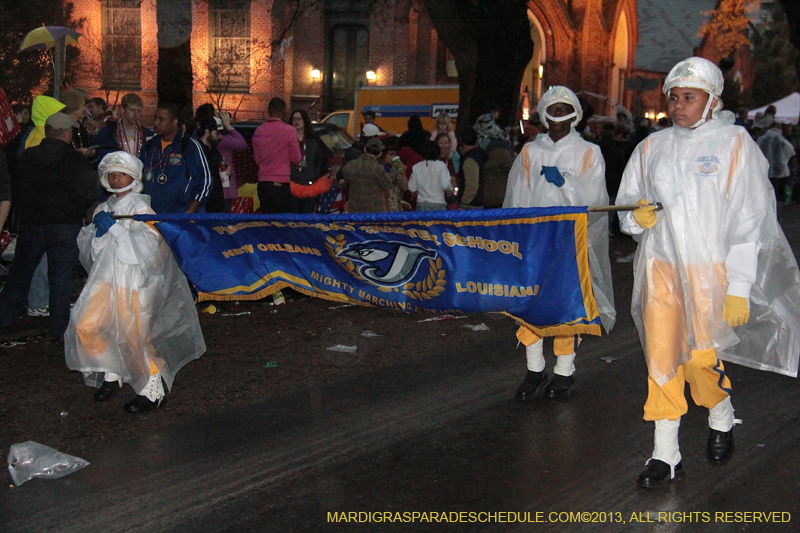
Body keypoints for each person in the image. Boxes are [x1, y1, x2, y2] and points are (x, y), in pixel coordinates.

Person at [616, 57, 800, 488]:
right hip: (660, 269)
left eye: (689, 98)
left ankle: (721, 413)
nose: (679, 106)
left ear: (712, 101)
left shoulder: (734, 144)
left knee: (700, 359)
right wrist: (634, 220)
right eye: (674, 98)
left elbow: (751, 218)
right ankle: (666, 454)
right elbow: (628, 204)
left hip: (709, 271)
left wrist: (738, 284)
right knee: (661, 358)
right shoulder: (651, 148)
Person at [65, 151, 206, 412]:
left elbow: (148, 253)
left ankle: (152, 390)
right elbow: (95, 256)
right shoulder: (103, 208)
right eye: (112, 174)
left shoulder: (142, 209)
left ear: (133, 176)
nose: (116, 179)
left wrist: (116, 230)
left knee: (133, 338)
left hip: (134, 284)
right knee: (87, 326)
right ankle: (112, 372)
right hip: (105, 281)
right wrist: (99, 233)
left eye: (122, 173)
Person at [503, 86, 615, 401]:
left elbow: (596, 199)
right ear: (544, 114)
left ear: (575, 115)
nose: (559, 118)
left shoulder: (589, 153)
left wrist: (566, 184)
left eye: (565, 111)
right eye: (553, 110)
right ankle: (534, 368)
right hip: (534, 239)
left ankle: (564, 370)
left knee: (564, 306)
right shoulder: (529, 152)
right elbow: (516, 196)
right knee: (529, 303)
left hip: (569, 240)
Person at [0, 113, 97, 339]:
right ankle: (59, 327)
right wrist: (76, 211)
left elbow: (17, 190)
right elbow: (88, 192)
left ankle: (5, 317)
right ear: (65, 132)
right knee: (60, 277)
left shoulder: (28, 157)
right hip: (65, 226)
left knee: (21, 273)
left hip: (32, 224)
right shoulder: (75, 160)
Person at [140, 102, 213, 214]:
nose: (156, 123)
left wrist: (190, 211)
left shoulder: (190, 146)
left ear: (174, 122)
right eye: (155, 118)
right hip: (153, 215)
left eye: (161, 119)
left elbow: (206, 181)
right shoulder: (149, 146)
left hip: (182, 216)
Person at [194, 104, 248, 212]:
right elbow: (242, 144)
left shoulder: (195, 137)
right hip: (223, 190)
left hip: (207, 192)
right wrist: (228, 125)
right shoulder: (220, 139)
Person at [252, 98, 302, 213]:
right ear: (284, 111)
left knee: (266, 220)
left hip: (263, 183)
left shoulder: (258, 131)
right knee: (279, 222)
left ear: (268, 111)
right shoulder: (289, 131)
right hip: (281, 182)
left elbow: (257, 159)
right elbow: (297, 159)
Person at [289, 109, 329, 214]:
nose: (296, 122)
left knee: (307, 215)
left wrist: (315, 175)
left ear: (305, 121)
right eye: (293, 120)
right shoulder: (288, 140)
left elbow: (321, 160)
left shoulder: (313, 140)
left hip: (310, 185)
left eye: (298, 119)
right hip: (292, 184)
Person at [93, 93, 152, 163]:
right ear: (122, 109)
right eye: (132, 110)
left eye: (138, 111)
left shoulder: (147, 134)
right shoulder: (108, 132)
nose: (136, 114)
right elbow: (97, 153)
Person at [340, 137, 392, 213]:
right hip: (374, 212)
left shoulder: (350, 165)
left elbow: (344, 184)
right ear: (380, 154)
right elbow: (387, 185)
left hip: (354, 211)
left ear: (365, 149)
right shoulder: (378, 168)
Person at [756, 115, 796, 203]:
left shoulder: (763, 138)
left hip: (765, 168)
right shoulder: (780, 138)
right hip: (780, 168)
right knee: (777, 191)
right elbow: (790, 150)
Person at [408, 141, 453, 211]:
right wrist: (450, 190)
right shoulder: (441, 166)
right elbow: (445, 185)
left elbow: (412, 188)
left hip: (421, 203)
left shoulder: (417, 167)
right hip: (438, 203)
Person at [196, 117, 226, 213]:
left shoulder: (215, 151)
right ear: (207, 132)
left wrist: (226, 174)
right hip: (201, 202)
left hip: (216, 202)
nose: (219, 137)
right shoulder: (195, 150)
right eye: (217, 133)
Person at [456, 129, 486, 209]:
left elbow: (472, 184)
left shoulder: (470, 160)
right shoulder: (479, 155)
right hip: (477, 203)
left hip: (470, 206)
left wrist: (464, 202)